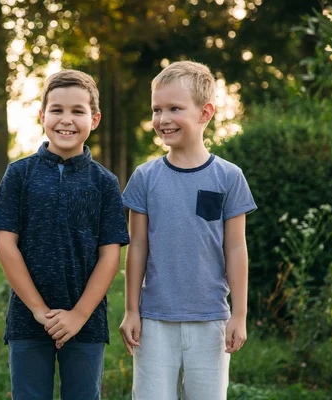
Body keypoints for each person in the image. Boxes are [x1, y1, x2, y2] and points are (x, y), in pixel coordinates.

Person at [0, 69, 129, 400]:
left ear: (94, 119)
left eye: (78, 111)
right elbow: (5, 245)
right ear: (42, 116)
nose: (66, 119)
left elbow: (111, 255)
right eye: (57, 110)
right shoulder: (19, 174)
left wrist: (79, 315)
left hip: (86, 323)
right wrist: (38, 310)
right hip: (28, 318)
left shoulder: (105, 182)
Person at [119, 60, 257, 400]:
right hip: (153, 321)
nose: (163, 119)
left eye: (174, 108)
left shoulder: (228, 177)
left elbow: (236, 248)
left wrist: (239, 314)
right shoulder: (145, 178)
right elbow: (136, 246)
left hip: (211, 320)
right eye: (157, 109)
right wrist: (131, 310)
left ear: (205, 113)